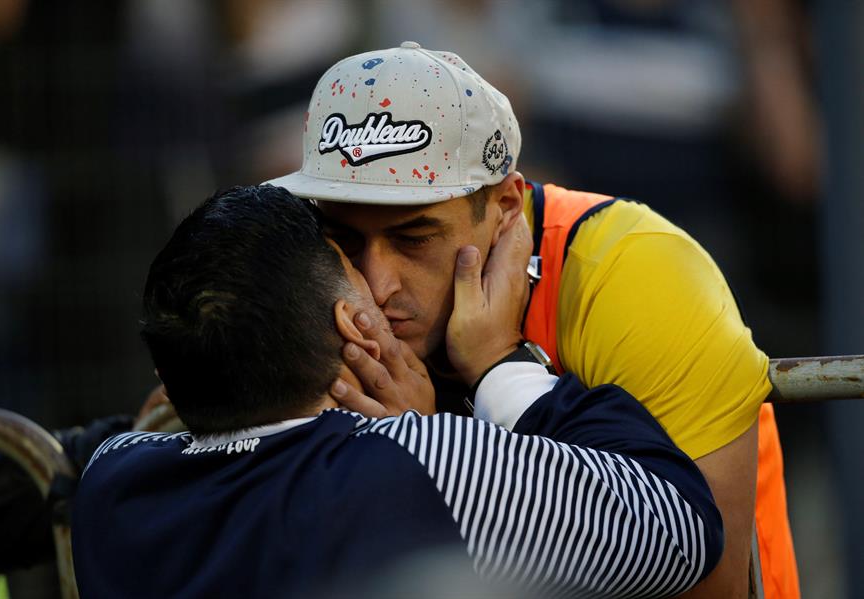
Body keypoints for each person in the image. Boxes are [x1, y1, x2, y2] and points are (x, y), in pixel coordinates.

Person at [264, 42, 796, 597]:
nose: (376, 285)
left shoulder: (632, 272)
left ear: (506, 209)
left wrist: (445, 441)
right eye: (346, 240)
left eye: (413, 238)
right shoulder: (308, 284)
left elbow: (710, 585)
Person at [71, 184, 723, 598]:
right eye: (353, 257)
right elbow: (681, 525)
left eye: (409, 239)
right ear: (353, 323)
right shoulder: (427, 461)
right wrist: (500, 365)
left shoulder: (108, 478)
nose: (383, 283)